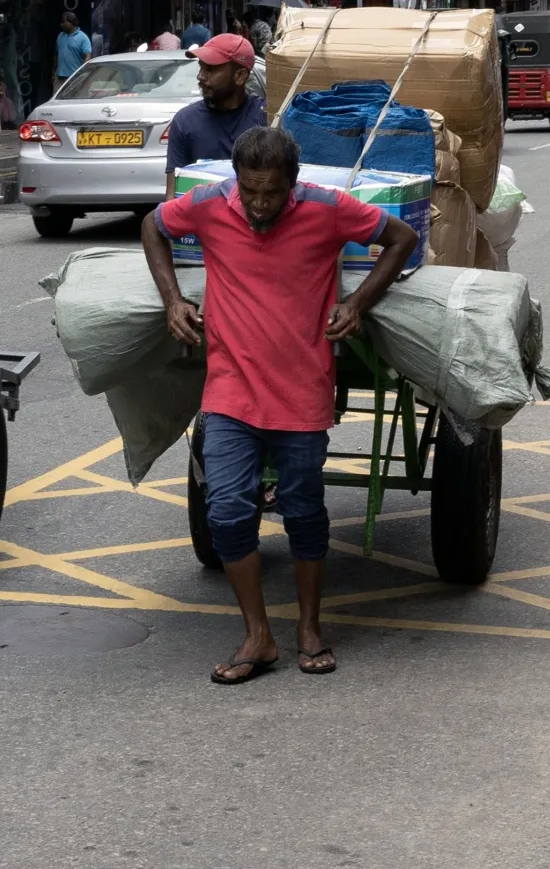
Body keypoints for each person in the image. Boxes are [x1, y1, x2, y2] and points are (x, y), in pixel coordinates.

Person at [141, 126, 418, 682]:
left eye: (271, 193)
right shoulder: (210, 203)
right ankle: (258, 635)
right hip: (229, 390)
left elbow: (402, 238)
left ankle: (310, 627)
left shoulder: (328, 208)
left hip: (301, 392)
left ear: (293, 184)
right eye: (250, 191)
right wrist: (173, 298)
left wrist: (358, 301)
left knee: (304, 512)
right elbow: (153, 225)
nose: (259, 204)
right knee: (226, 512)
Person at [164, 34, 267, 197]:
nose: (201, 76)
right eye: (201, 67)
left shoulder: (267, 118)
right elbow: (172, 197)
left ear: (240, 76)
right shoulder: (185, 122)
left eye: (210, 69)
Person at [54, 12, 92, 90]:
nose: (61, 24)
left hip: (74, 78)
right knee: (56, 102)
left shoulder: (83, 37)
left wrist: (82, 74)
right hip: (59, 78)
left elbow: (87, 57)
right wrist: (53, 73)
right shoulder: (60, 36)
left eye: (64, 22)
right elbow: (56, 55)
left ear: (71, 23)